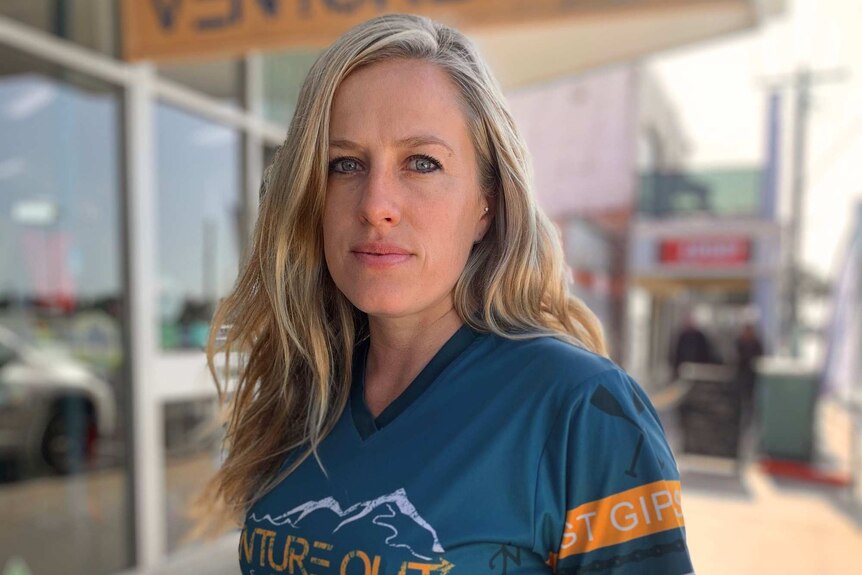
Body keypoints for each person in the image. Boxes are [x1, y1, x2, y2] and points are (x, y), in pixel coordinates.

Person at [197, 14, 693, 575]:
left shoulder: (582, 409)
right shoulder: (304, 387)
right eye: (346, 164)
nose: (375, 203)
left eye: (422, 163)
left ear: (487, 203)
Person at [669, 313, 717, 382]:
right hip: (683, 369)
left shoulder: (700, 336)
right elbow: (676, 353)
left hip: (698, 370)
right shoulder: (682, 336)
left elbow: (705, 353)